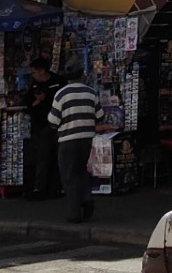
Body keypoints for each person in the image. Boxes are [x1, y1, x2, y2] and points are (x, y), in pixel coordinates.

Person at [48, 67, 103, 224]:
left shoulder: (61, 94)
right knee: (82, 171)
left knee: (69, 175)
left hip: (67, 140)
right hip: (87, 140)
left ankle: (74, 212)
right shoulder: (91, 92)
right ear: (81, 75)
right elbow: (100, 116)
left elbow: (53, 120)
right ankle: (87, 198)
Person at [23, 57, 64, 200]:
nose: (33, 75)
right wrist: (35, 102)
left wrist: (45, 98)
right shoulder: (34, 85)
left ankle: (56, 188)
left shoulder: (58, 81)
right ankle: (40, 188)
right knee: (42, 157)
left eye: (34, 72)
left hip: (58, 125)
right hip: (40, 126)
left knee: (57, 157)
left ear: (42, 71)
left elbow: (61, 101)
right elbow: (28, 101)